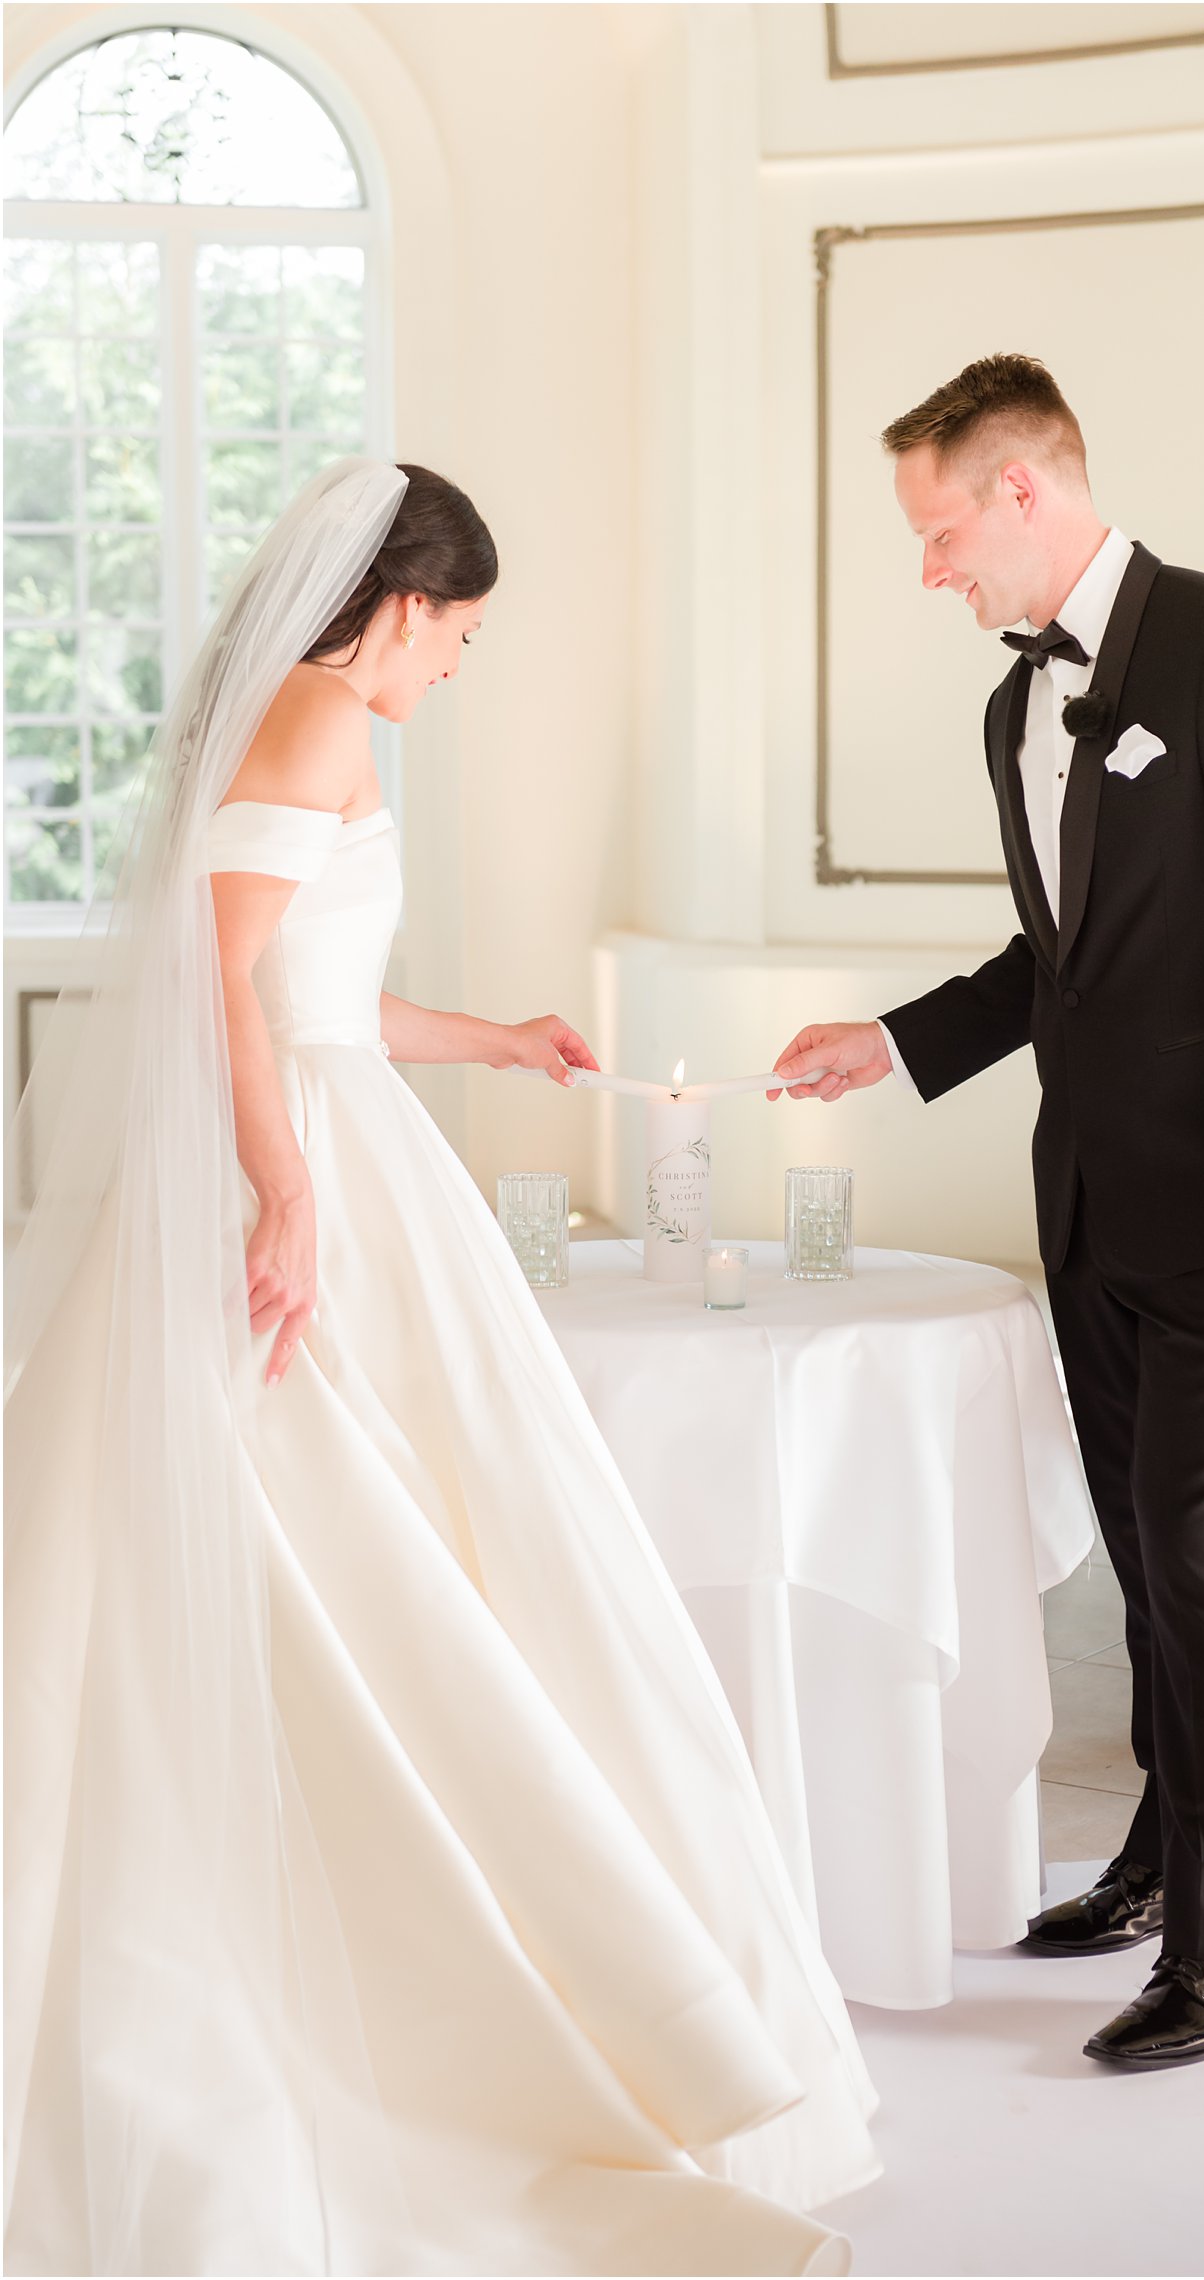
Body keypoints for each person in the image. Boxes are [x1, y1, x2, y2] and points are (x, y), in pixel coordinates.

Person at [5, 459, 877, 2276]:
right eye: (462, 633)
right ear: (401, 605)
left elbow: (315, 988)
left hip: (339, 1128)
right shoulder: (325, 711)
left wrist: (494, 1039)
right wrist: (286, 1184)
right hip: (308, 1163)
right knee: (371, 1555)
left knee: (379, 1556)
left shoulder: (303, 721)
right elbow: (215, 978)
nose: (458, 665)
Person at [769, 355, 1204, 2071]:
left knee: (1200, 1556)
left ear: (1023, 490)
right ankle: (1153, 1851)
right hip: (1093, 1198)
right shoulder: (1012, 707)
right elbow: (1061, 964)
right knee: (1138, 1549)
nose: (930, 569)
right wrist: (894, 1044)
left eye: (938, 528)